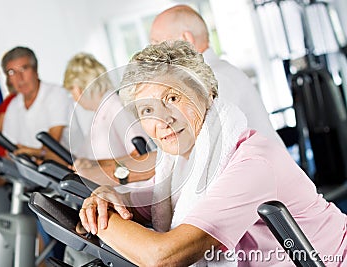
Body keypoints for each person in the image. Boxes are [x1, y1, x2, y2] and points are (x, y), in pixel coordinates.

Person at [77, 41, 347, 266]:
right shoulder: (185, 164)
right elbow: (156, 203)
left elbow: (163, 257)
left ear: (206, 93)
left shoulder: (252, 163)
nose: (163, 119)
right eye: (147, 110)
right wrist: (110, 198)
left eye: (172, 98)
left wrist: (99, 220)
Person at [149, 4, 283, 145]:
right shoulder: (203, 77)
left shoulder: (217, 78)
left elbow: (207, 146)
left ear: (186, 39)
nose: (155, 53)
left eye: (158, 43)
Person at [63, 52, 152, 185]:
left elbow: (142, 155)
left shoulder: (117, 107)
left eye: (71, 92)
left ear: (78, 89)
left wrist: (98, 166)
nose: (74, 99)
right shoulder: (98, 114)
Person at [0, 46, 71, 162]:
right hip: (28, 173)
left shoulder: (56, 94)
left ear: (35, 70)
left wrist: (28, 152)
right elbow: (9, 153)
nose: (19, 78)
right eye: (12, 72)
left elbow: (53, 147)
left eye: (24, 69)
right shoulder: (13, 105)